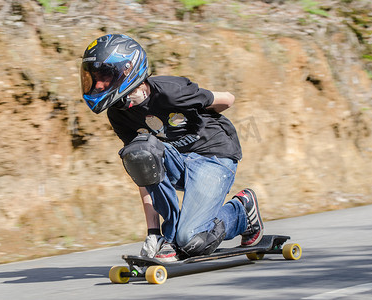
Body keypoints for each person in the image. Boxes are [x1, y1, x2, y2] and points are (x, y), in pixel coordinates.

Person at [80, 34, 264, 261]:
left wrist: (202, 116)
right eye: (94, 78)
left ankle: (242, 211)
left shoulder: (171, 91)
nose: (98, 85)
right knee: (139, 152)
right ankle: (168, 237)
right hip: (179, 159)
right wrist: (153, 233)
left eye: (104, 76)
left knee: (192, 240)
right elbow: (144, 171)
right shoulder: (118, 114)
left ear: (127, 70)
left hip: (214, 157)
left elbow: (228, 99)